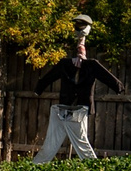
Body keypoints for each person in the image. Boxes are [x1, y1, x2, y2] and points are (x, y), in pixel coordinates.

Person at [33, 15, 124, 162]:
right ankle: (37, 165)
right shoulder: (65, 64)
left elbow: (107, 77)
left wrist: (118, 87)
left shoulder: (91, 65)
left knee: (81, 142)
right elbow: (49, 77)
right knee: (56, 143)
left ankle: (93, 167)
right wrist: (39, 88)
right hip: (64, 107)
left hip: (81, 107)